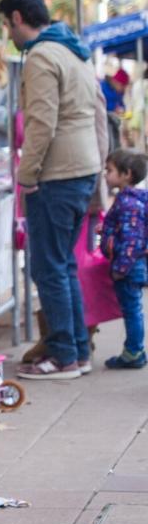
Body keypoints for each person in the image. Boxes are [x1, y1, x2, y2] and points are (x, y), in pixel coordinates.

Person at [0, 0, 102, 381]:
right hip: (81, 169)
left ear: (20, 18)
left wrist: (26, 175)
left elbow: (41, 123)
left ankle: (62, 355)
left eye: (7, 24)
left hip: (57, 174)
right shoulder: (73, 50)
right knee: (64, 265)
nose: (8, 33)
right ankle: (76, 349)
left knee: (49, 268)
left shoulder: (41, 57)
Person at [100, 149, 148, 369]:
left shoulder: (128, 204)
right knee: (133, 309)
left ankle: (134, 351)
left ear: (126, 174)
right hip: (132, 265)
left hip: (128, 267)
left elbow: (132, 240)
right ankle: (135, 349)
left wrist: (121, 267)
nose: (105, 175)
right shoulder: (131, 201)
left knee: (131, 310)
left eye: (109, 170)